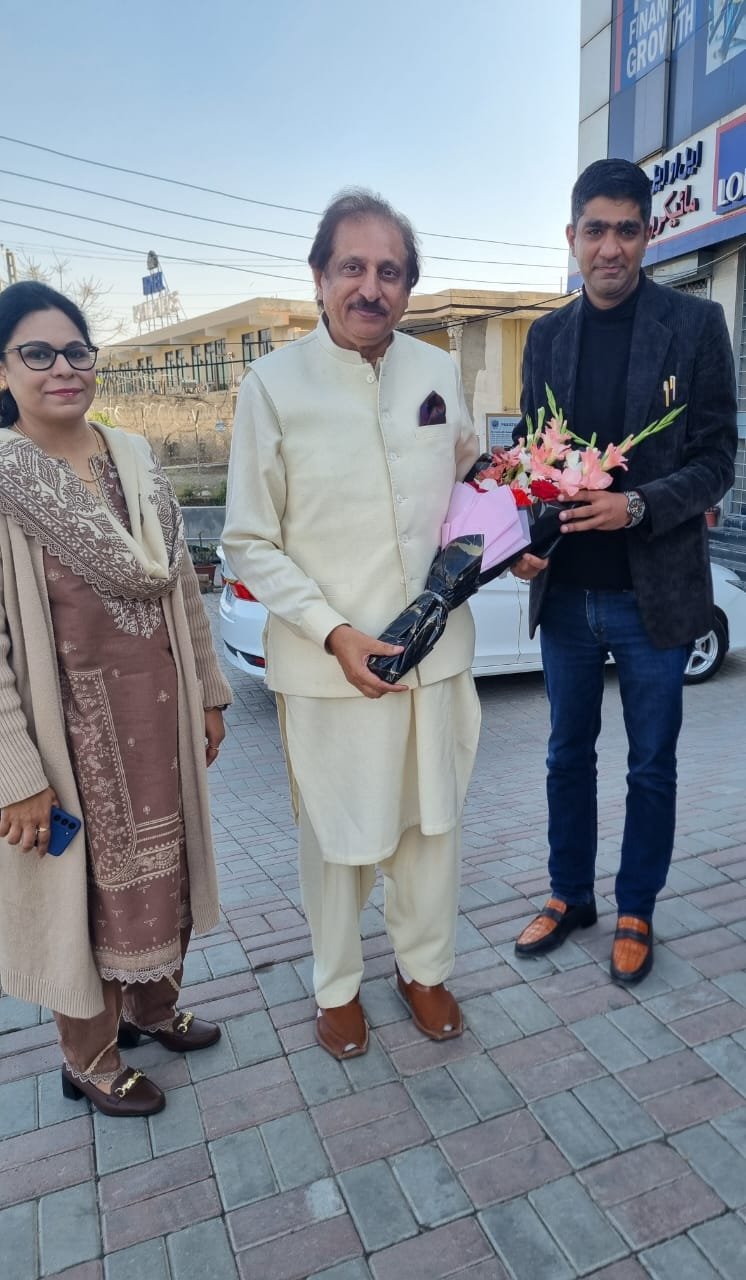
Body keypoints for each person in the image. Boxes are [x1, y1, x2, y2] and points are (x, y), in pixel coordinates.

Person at [223, 190, 481, 1058]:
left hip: (434, 659)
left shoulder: (437, 370)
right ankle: (336, 986)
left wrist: (514, 539)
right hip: (328, 668)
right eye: (353, 268)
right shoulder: (272, 386)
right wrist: (334, 633)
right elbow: (247, 540)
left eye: (391, 272)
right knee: (336, 841)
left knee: (432, 829)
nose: (372, 288)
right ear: (319, 275)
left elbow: (474, 483)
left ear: (409, 286)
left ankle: (424, 970)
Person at [0, 281, 233, 1115]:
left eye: (76, 351)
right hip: (69, 741)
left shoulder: (131, 457)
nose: (63, 368)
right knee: (87, 898)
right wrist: (17, 775)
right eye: (38, 353)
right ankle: (89, 1059)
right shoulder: (4, 477)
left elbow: (180, 592)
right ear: (3, 369)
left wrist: (210, 693)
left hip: (157, 722)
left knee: (166, 874)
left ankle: (152, 1010)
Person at [510, 158, 738, 983]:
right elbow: (535, 459)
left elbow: (717, 461)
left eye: (627, 230)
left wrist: (636, 506)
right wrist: (523, 539)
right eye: (595, 230)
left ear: (651, 234)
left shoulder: (696, 324)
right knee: (566, 756)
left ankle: (637, 905)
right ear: (571, 237)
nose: (610, 247)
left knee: (651, 764)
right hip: (567, 593)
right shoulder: (546, 336)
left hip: (655, 596)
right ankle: (570, 894)